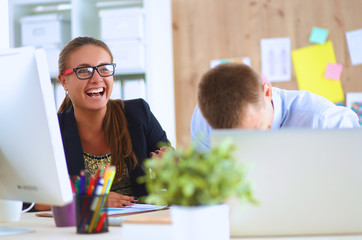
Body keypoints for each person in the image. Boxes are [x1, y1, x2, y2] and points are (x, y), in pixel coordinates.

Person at [28, 36, 170, 211]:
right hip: (81, 233)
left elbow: (176, 179)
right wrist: (89, 201)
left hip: (139, 227)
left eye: (104, 69)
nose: (97, 79)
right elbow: (29, 200)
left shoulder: (139, 114)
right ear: (64, 81)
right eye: (84, 71)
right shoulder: (51, 130)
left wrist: (172, 169)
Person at [191, 62, 360, 151]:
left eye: (256, 130)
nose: (248, 145)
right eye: (232, 139)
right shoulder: (203, 121)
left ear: (267, 92)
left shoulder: (323, 120)